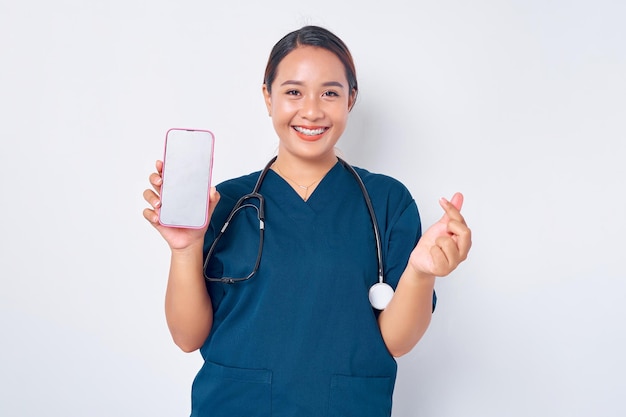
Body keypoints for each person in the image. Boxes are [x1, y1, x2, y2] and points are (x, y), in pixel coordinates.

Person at [143, 25, 471, 417]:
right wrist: (186, 248)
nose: (312, 110)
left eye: (330, 92)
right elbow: (186, 336)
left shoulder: (387, 201)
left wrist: (420, 272)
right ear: (268, 97)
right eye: (293, 91)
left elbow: (396, 342)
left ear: (351, 99)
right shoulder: (225, 203)